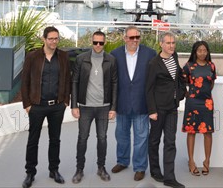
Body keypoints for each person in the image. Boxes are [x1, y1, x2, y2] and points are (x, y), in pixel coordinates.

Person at [21, 26, 71, 188]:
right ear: (44, 39)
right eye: (51, 38)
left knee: (55, 139)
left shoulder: (63, 56)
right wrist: (27, 104)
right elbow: (25, 81)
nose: (54, 41)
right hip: (37, 106)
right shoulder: (32, 57)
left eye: (56, 38)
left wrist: (65, 102)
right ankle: (30, 173)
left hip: (57, 106)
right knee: (33, 140)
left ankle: (54, 170)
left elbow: (67, 80)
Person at [70, 31, 118, 184]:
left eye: (101, 43)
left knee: (102, 139)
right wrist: (74, 105)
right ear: (91, 42)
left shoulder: (111, 60)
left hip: (104, 107)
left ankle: (101, 168)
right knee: (82, 138)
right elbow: (75, 82)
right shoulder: (81, 59)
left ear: (105, 43)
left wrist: (113, 107)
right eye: (95, 42)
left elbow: (115, 84)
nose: (98, 45)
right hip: (85, 106)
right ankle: (79, 169)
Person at [111, 26, 157, 181]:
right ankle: (122, 161)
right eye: (131, 37)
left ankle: (140, 167)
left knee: (141, 138)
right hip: (122, 103)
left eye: (137, 37)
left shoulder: (150, 54)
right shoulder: (115, 54)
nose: (135, 40)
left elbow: (154, 80)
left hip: (141, 103)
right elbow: (111, 81)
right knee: (121, 136)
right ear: (125, 38)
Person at [146, 32, 187, 188]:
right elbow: (148, 89)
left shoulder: (174, 58)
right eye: (168, 43)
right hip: (158, 109)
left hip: (172, 108)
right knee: (154, 141)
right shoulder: (153, 64)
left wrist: (181, 94)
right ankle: (155, 171)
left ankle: (169, 177)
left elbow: (179, 78)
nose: (171, 45)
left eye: (173, 43)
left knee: (170, 142)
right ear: (161, 44)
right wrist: (152, 110)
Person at [181, 41, 216, 177]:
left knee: (208, 132)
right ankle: (191, 162)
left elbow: (211, 84)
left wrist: (204, 94)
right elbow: (182, 84)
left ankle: (207, 161)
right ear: (195, 52)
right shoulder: (188, 66)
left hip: (207, 103)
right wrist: (189, 94)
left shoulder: (211, 66)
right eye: (199, 50)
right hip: (192, 103)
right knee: (192, 132)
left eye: (204, 50)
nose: (202, 53)